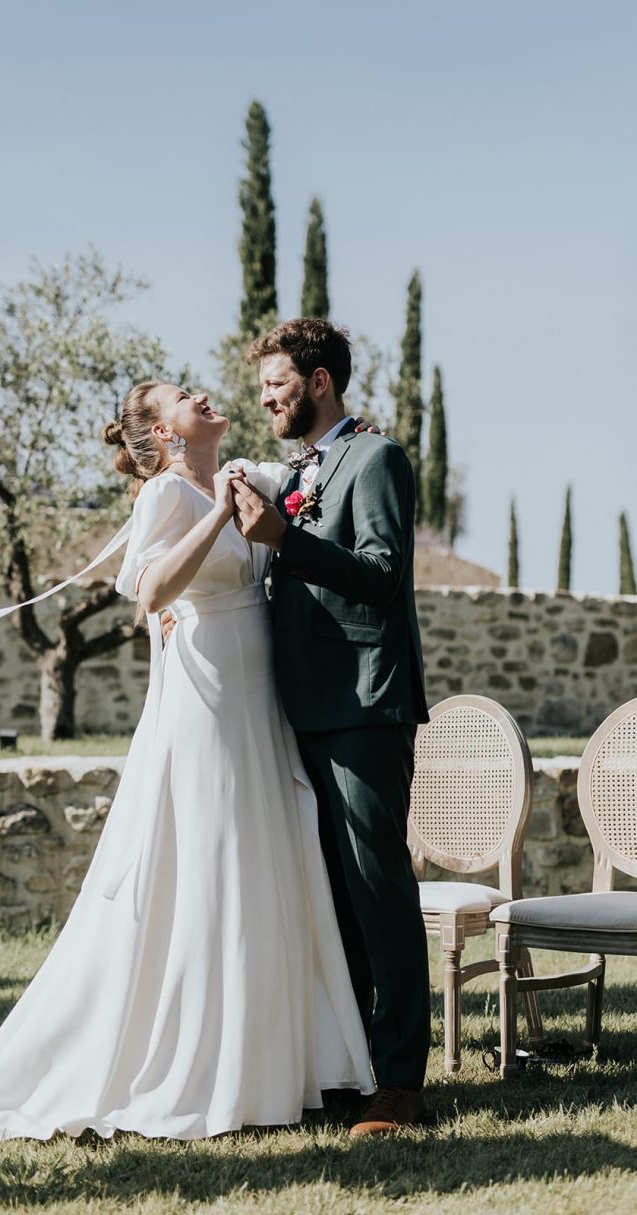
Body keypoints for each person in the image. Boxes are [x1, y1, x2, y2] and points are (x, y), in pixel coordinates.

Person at [0, 380, 374, 1142]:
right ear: (163, 433)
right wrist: (221, 519)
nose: (204, 392)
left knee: (268, 854)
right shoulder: (166, 494)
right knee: (214, 855)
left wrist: (253, 493)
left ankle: (276, 1060)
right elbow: (151, 588)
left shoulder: (243, 476)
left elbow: (303, 481)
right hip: (210, 695)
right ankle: (203, 1067)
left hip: (259, 694)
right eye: (183, 396)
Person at [229, 319, 431, 1136]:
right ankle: (349, 1067)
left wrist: (285, 537)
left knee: (379, 893)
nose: (267, 398)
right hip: (301, 708)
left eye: (278, 383)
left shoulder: (376, 458)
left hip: (363, 704)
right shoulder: (299, 470)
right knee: (333, 903)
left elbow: (383, 577)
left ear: (319, 382)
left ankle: (403, 1084)